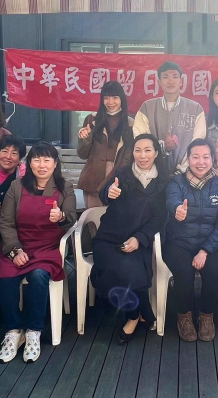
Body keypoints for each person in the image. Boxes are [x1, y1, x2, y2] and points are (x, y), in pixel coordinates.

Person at [0, 142, 77, 363]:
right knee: (6, 277)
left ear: (55, 163)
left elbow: (71, 218)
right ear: (29, 163)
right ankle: (13, 331)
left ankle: (33, 331)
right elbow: (6, 222)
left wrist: (61, 217)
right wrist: (14, 250)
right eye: (36, 160)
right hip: (18, 244)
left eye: (47, 160)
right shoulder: (17, 186)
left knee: (38, 276)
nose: (42, 165)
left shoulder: (65, 187)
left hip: (47, 247)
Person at [91, 134, 168, 344]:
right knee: (114, 266)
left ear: (156, 153)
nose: (142, 155)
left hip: (138, 239)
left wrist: (139, 238)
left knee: (130, 268)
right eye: (137, 150)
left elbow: (160, 217)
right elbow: (104, 194)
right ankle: (140, 313)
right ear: (132, 152)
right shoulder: (122, 173)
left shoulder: (163, 181)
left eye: (148, 150)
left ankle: (134, 317)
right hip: (108, 237)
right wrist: (110, 192)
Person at [164, 139, 218, 342]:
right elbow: (172, 200)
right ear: (188, 158)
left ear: (212, 159)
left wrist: (205, 250)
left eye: (205, 157)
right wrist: (177, 210)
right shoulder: (177, 182)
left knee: (213, 273)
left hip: (210, 243)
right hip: (179, 242)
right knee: (184, 275)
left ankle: (206, 316)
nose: (200, 162)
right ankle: (183, 316)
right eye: (195, 157)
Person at [133, 61, 205, 174]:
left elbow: (198, 143)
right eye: (166, 77)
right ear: (159, 82)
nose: (171, 81)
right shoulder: (147, 108)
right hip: (152, 174)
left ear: (181, 81)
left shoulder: (195, 109)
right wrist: (163, 147)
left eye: (175, 76)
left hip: (187, 174)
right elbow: (141, 141)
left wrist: (182, 171)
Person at [77, 81, 134, 208]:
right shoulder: (92, 119)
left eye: (115, 97)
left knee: (114, 217)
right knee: (93, 217)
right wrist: (84, 139)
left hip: (118, 176)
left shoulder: (130, 124)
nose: (110, 102)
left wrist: (111, 180)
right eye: (106, 98)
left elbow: (127, 158)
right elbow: (82, 154)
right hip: (93, 177)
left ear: (122, 99)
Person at [0, 134, 27, 211]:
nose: (8, 157)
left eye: (14, 153)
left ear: (20, 159)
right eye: (5, 151)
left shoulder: (25, 179)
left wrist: (7, 210)